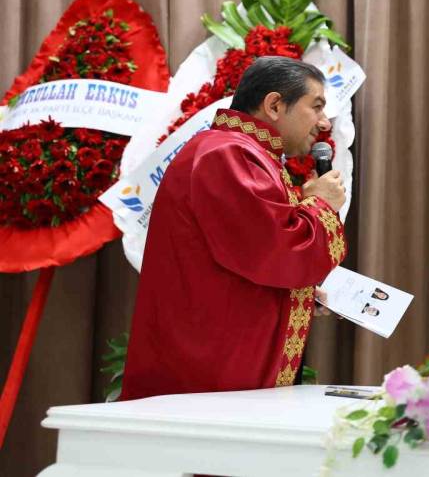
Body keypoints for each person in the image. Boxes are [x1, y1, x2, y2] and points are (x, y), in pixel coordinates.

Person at [120, 56, 349, 401]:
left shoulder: (242, 152)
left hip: (220, 369)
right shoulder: (227, 154)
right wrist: (321, 203)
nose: (324, 123)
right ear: (274, 105)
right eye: (316, 107)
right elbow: (278, 251)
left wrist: (296, 297)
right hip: (208, 379)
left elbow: (247, 261)